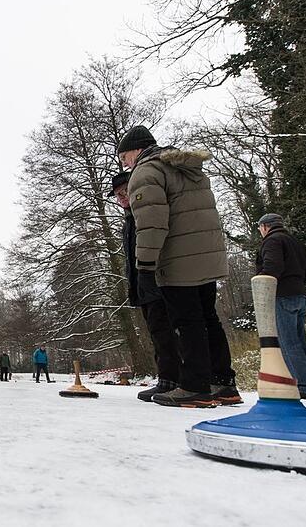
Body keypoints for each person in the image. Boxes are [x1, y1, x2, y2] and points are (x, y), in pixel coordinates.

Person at [121, 125, 241, 407]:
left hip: (177, 259)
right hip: (206, 256)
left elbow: (151, 223)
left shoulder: (146, 172)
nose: (125, 165)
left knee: (186, 322)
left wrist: (145, 266)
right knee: (209, 318)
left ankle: (194, 386)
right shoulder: (188, 168)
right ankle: (223, 382)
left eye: (124, 157)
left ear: (137, 150)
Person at [109, 171, 181, 402]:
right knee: (157, 332)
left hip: (158, 281)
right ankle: (168, 377)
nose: (121, 197)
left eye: (124, 191)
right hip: (143, 285)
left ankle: (171, 379)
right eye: (117, 194)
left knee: (166, 331)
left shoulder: (146, 214)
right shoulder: (129, 221)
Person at [256, 213, 306, 400]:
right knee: (301, 342)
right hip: (300, 295)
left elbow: (272, 267)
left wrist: (260, 280)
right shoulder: (295, 242)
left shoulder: (272, 241)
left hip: (282, 295)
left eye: (260, 228)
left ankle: (304, 385)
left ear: (265, 226)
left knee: (288, 343)